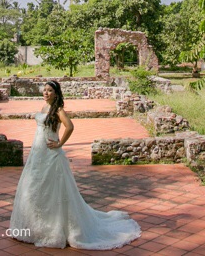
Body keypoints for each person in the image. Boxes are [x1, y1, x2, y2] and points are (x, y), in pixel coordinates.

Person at [10, 79, 141, 249]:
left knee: (53, 189)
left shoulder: (58, 110)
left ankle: (55, 228)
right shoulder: (44, 108)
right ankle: (34, 224)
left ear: (56, 93)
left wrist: (59, 143)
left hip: (51, 154)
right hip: (38, 152)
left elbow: (70, 127)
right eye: (44, 90)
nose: (46, 93)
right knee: (34, 186)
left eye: (50, 90)